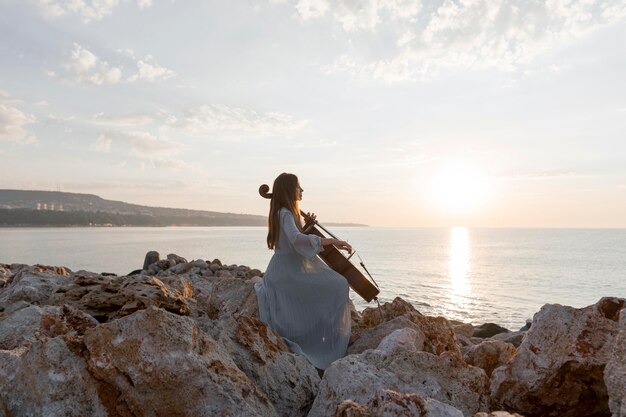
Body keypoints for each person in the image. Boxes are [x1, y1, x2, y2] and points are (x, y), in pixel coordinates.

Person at [254, 173, 353, 374]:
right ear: (290, 190)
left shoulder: (283, 212)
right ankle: (330, 338)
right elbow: (296, 240)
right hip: (288, 275)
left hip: (284, 271)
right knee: (339, 284)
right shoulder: (286, 213)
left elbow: (291, 238)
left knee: (334, 285)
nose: (302, 190)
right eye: (299, 187)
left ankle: (325, 334)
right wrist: (332, 241)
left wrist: (307, 228)